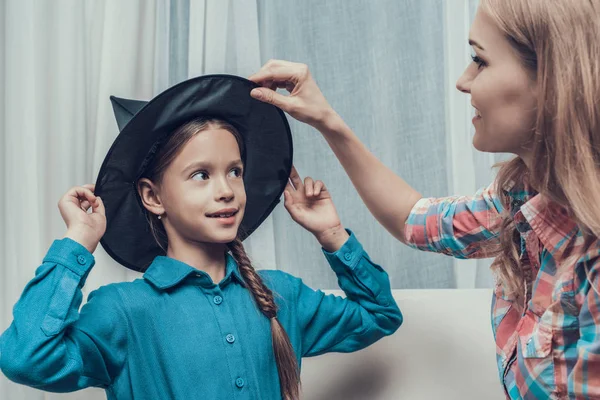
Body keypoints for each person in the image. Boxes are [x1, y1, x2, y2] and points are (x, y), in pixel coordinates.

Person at [248, 1, 600, 398]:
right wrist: (327, 121)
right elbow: (414, 220)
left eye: (479, 60)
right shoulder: (521, 202)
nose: (463, 81)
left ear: (552, 81)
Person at [0, 75, 402, 400]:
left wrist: (332, 234)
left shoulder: (282, 296)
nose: (226, 190)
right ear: (153, 196)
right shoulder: (123, 311)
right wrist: (77, 243)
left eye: (235, 172)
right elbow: (25, 358)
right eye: (201, 175)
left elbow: (380, 315)